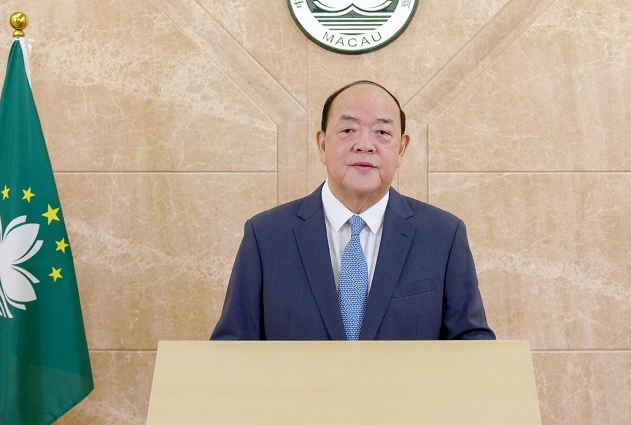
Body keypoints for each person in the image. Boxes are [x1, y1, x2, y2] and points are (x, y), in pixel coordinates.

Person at [211, 80, 495, 341]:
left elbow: (473, 346)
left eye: (382, 133)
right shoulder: (266, 236)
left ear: (401, 149)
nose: (365, 145)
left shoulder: (443, 235)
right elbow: (232, 349)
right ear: (322, 144)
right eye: (348, 131)